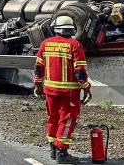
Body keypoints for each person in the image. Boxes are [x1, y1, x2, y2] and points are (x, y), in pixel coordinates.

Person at [34, 16, 92, 164]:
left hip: (50, 90)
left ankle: (53, 149)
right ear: (71, 29)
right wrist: (86, 88)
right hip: (69, 92)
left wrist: (38, 85)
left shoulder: (45, 44)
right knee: (67, 121)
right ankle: (62, 152)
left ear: (56, 28)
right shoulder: (75, 45)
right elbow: (80, 71)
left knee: (53, 118)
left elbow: (39, 67)